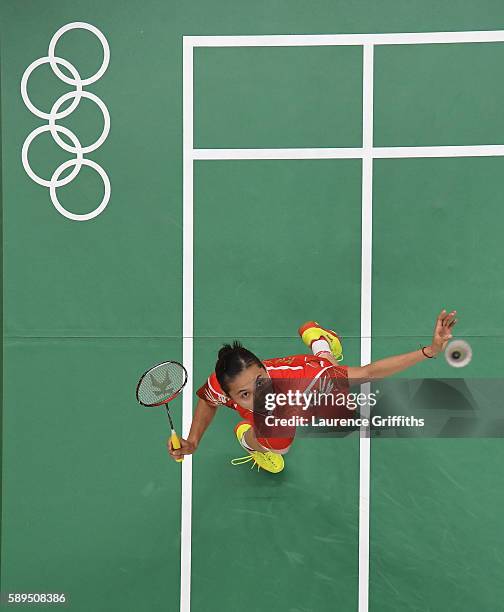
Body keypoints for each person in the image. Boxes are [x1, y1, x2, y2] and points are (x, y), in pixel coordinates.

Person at [168, 309, 457, 473]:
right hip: (272, 416)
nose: (259, 395)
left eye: (260, 383)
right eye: (243, 393)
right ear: (230, 395)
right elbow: (208, 401)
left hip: (305, 376)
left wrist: (430, 351)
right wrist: (193, 441)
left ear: (265, 372)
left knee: (334, 384)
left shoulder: (309, 378)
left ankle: (320, 341)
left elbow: (369, 372)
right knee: (276, 444)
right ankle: (247, 436)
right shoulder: (220, 385)